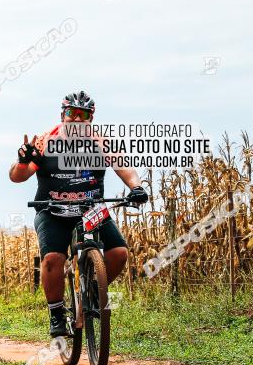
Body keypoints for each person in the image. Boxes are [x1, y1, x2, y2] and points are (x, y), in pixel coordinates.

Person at [8, 91, 149, 337]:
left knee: (119, 252)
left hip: (90, 210)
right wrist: (22, 161)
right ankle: (56, 313)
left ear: (90, 119)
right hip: (53, 210)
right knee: (53, 259)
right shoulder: (45, 140)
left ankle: (94, 291)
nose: (76, 120)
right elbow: (17, 177)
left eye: (82, 115)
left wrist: (136, 187)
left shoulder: (100, 141)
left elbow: (123, 165)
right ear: (63, 115)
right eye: (71, 114)